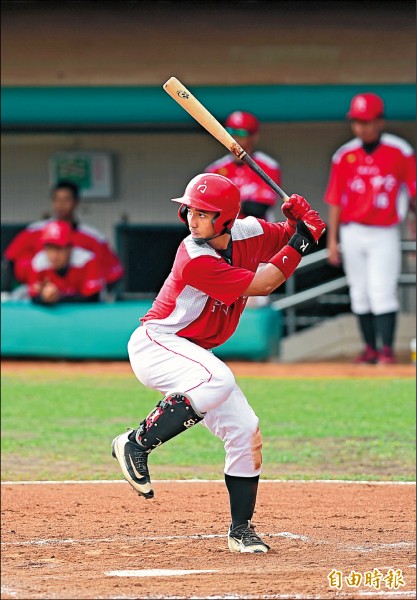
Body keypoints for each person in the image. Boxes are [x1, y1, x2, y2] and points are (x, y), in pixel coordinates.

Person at [111, 173, 326, 554]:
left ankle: (240, 530)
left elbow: (282, 234)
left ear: (226, 219)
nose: (192, 219)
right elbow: (264, 283)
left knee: (245, 429)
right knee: (219, 379)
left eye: (203, 213)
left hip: (192, 352)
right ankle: (136, 442)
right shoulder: (193, 256)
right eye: (189, 210)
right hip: (158, 344)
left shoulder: (246, 232)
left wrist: (297, 221)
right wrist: (302, 242)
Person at [324, 92, 416, 365]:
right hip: (352, 231)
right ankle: (370, 349)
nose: (361, 127)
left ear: (379, 121)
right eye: (357, 121)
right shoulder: (344, 154)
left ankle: (386, 350)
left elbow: (412, 195)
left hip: (384, 230)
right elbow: (335, 200)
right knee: (359, 292)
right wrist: (332, 241)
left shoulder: (400, 150)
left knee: (382, 290)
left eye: (367, 121)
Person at [3, 180, 124, 294]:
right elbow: (9, 261)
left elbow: (113, 274)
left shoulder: (94, 237)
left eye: (66, 200)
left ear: (76, 202)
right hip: (39, 299)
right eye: (57, 200)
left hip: (81, 301)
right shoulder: (34, 231)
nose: (61, 205)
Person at [205, 111, 281, 221]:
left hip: (260, 232)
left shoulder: (268, 166)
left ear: (254, 137)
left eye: (241, 133)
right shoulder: (214, 170)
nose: (234, 138)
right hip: (225, 234)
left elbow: (258, 208)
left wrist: (224, 204)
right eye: (230, 132)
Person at [28, 220, 105, 304]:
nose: (54, 255)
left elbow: (92, 297)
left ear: (70, 248)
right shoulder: (39, 262)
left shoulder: (87, 260)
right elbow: (34, 296)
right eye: (49, 248)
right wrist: (44, 298)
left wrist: (57, 298)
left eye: (58, 248)